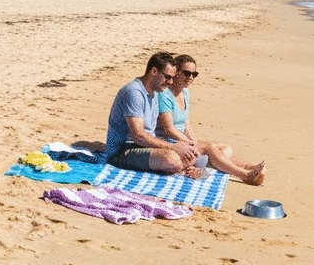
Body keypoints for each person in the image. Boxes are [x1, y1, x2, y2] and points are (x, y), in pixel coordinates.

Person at [157, 54, 266, 185]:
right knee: (209, 148)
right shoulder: (165, 95)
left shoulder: (184, 92)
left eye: (194, 74)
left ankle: (249, 166)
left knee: (225, 148)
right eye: (186, 73)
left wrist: (194, 142)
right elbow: (169, 129)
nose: (190, 77)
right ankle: (244, 174)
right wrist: (191, 144)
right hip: (170, 142)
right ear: (176, 72)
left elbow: (185, 122)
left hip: (183, 140)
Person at [105, 52, 200, 174]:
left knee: (192, 154)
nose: (171, 82)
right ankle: (181, 168)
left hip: (144, 146)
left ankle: (181, 167)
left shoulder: (156, 92)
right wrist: (173, 147)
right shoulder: (134, 93)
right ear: (154, 71)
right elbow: (138, 135)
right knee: (171, 159)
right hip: (123, 151)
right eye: (167, 77)